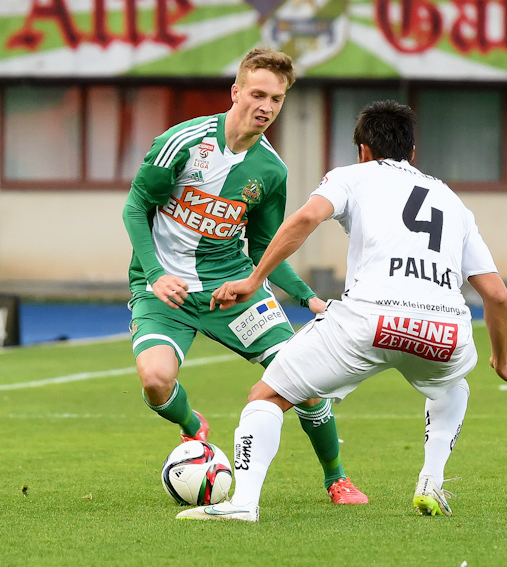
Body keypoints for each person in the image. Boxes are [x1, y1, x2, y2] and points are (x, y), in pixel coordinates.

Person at [176, 100, 507, 523]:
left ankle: (244, 503)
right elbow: (497, 296)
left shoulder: (351, 177)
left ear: (362, 149)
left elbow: (306, 219)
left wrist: (253, 280)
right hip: (443, 330)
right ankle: (431, 481)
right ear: (412, 152)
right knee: (453, 387)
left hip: (368, 321)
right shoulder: (452, 202)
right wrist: (501, 359)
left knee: (265, 396)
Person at [121, 47, 366, 505]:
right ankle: (193, 427)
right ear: (235, 92)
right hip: (164, 291)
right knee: (155, 379)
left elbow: (265, 250)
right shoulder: (183, 143)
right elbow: (135, 208)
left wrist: (308, 298)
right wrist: (154, 274)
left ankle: (337, 478)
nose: (266, 107)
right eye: (257, 95)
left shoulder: (271, 171)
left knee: (303, 381)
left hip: (233, 292)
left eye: (277, 99)